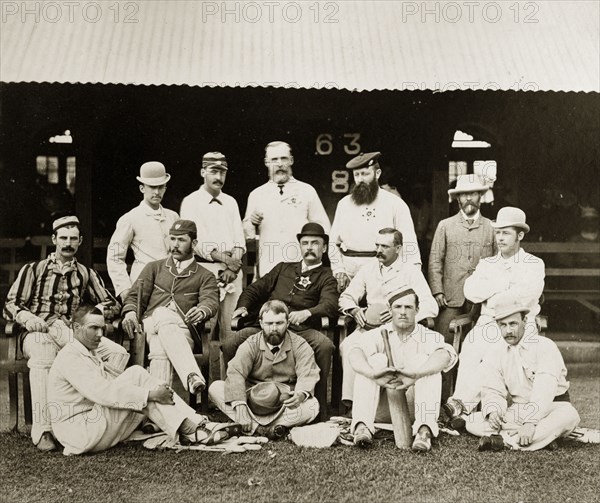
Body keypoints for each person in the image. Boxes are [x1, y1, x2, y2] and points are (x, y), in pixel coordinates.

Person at [3, 216, 129, 452]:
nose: (68, 243)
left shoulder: (85, 273)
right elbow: (10, 305)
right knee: (43, 348)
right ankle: (43, 430)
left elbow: (111, 304)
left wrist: (94, 312)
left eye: (73, 238)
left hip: (71, 334)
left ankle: (96, 414)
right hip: (39, 332)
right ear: (54, 240)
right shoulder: (34, 270)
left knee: (117, 353)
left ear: (80, 241)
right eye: (63, 238)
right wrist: (28, 318)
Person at [48, 304, 240, 455]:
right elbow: (104, 393)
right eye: (93, 328)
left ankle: (194, 425)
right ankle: (193, 428)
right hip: (80, 432)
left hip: (92, 424)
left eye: (102, 328)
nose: (100, 334)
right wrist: (151, 393)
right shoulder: (70, 357)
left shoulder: (86, 351)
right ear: (75, 327)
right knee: (139, 379)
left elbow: (110, 386)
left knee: (139, 378)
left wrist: (154, 389)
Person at [222, 222, 337, 420]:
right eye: (305, 243)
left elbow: (330, 304)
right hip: (266, 326)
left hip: (299, 329)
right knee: (231, 343)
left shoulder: (327, 276)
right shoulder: (283, 268)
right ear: (300, 246)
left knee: (324, 345)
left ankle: (318, 405)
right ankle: (240, 396)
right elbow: (254, 289)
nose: (309, 247)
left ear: (324, 248)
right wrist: (243, 307)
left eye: (315, 243)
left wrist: (308, 313)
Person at [444, 207, 545, 426]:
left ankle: (463, 405)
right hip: (488, 321)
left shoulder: (534, 264)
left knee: (494, 351)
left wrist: (491, 294)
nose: (499, 238)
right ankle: (463, 407)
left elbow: (525, 299)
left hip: (519, 323)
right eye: (497, 232)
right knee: (471, 345)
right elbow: (470, 292)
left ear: (520, 235)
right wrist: (505, 286)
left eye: (506, 233)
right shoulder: (487, 264)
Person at [465, 294, 580, 451]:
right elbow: (492, 389)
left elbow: (544, 389)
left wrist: (530, 422)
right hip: (519, 410)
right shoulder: (496, 352)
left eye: (513, 324)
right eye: (503, 325)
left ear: (525, 321)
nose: (508, 330)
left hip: (552, 407)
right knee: (471, 420)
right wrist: (494, 413)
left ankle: (505, 442)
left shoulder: (544, 346)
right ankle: (545, 438)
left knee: (569, 416)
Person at [348, 287, 457, 452]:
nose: (403, 312)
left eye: (408, 307)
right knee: (376, 360)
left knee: (424, 362)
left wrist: (417, 374)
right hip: (381, 406)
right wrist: (372, 374)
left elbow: (446, 355)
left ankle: (424, 432)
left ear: (417, 310)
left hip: (416, 408)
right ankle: (362, 428)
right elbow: (355, 353)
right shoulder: (378, 333)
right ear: (390, 310)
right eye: (397, 307)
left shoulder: (428, 336)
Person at [338, 228, 438, 404]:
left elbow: (430, 305)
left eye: (384, 246)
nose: (378, 251)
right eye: (377, 245)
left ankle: (397, 404)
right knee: (349, 346)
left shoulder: (410, 272)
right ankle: (353, 404)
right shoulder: (368, 269)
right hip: (368, 330)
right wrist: (354, 310)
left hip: (399, 332)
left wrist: (401, 316)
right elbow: (346, 297)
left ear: (398, 248)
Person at [121, 220, 219, 397]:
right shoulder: (154, 268)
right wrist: (129, 312)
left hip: (184, 330)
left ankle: (161, 414)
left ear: (194, 243)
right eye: (172, 239)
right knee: (161, 312)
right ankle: (191, 374)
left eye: (181, 240)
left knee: (160, 350)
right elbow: (134, 296)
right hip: (151, 323)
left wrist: (202, 310)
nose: (175, 244)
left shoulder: (205, 275)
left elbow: (210, 300)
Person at [209, 300, 320, 439]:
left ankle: (253, 427)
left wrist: (300, 395)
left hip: (283, 404)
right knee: (215, 388)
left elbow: (307, 374)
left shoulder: (300, 345)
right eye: (269, 323)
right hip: (251, 400)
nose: (274, 328)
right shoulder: (251, 344)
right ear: (261, 323)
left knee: (312, 406)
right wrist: (240, 405)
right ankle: (266, 429)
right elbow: (235, 372)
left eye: (279, 323)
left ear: (288, 323)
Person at [329, 152, 421, 293]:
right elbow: (333, 242)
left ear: (377, 174)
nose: (360, 179)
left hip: (384, 273)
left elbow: (409, 243)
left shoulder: (395, 204)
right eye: (357, 175)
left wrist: (412, 276)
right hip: (350, 276)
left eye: (365, 174)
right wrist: (339, 270)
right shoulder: (344, 204)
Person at [180, 152, 246, 347]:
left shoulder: (231, 202)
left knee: (231, 328)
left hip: (232, 274)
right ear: (203, 172)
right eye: (213, 171)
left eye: (222, 172)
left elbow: (239, 240)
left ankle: (230, 376)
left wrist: (232, 268)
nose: (218, 177)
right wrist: (225, 260)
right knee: (204, 329)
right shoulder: (191, 202)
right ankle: (204, 376)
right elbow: (195, 241)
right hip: (204, 271)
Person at [242, 141, 330, 276]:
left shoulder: (307, 191)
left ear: (291, 161)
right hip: (269, 267)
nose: (279, 163)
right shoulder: (256, 194)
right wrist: (251, 223)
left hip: (301, 265)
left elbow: (324, 228)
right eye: (274, 159)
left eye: (284, 158)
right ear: (266, 162)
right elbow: (246, 235)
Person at [428, 174, 496, 340]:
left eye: (473, 194)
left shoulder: (491, 227)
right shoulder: (445, 226)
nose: (468, 198)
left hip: (483, 298)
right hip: (452, 298)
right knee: (444, 339)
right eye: (464, 194)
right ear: (457, 197)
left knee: (484, 341)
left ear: (480, 196)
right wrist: (438, 291)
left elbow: (498, 262)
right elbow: (435, 261)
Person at [107, 161, 179, 301]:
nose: (157, 192)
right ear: (142, 188)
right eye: (152, 187)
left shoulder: (173, 217)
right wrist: (124, 289)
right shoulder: (130, 218)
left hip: (172, 285)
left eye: (160, 187)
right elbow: (115, 256)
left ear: (165, 188)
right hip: (144, 285)